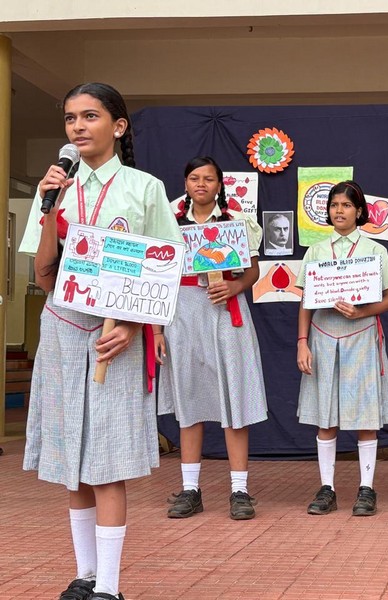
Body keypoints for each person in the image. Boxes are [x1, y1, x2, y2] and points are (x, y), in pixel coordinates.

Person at [18, 82, 183, 600]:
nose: (78, 127)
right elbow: (45, 276)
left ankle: (110, 587)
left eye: (90, 116)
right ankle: (84, 575)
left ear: (118, 125)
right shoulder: (56, 186)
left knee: (107, 461)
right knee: (74, 464)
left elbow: (166, 268)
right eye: (70, 119)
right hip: (64, 331)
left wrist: (134, 325)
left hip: (117, 334)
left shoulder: (144, 188)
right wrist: (50, 208)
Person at [156, 156, 268, 521]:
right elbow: (156, 276)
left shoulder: (236, 221)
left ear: (220, 184)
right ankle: (191, 490)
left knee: (235, 400)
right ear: (185, 183)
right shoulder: (169, 219)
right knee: (189, 401)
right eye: (193, 178)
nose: (200, 184)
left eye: (208, 178)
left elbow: (252, 271)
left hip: (225, 311)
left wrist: (234, 285)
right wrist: (157, 329)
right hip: (183, 312)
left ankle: (239, 490)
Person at [296, 180, 388, 517]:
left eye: (346, 205)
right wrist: (302, 342)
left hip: (361, 336)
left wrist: (361, 311)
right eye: (334, 205)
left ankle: (366, 488)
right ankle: (327, 487)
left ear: (359, 211)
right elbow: (305, 302)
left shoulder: (374, 250)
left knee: (364, 415)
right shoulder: (316, 251)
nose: (339, 210)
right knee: (325, 417)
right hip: (323, 337)